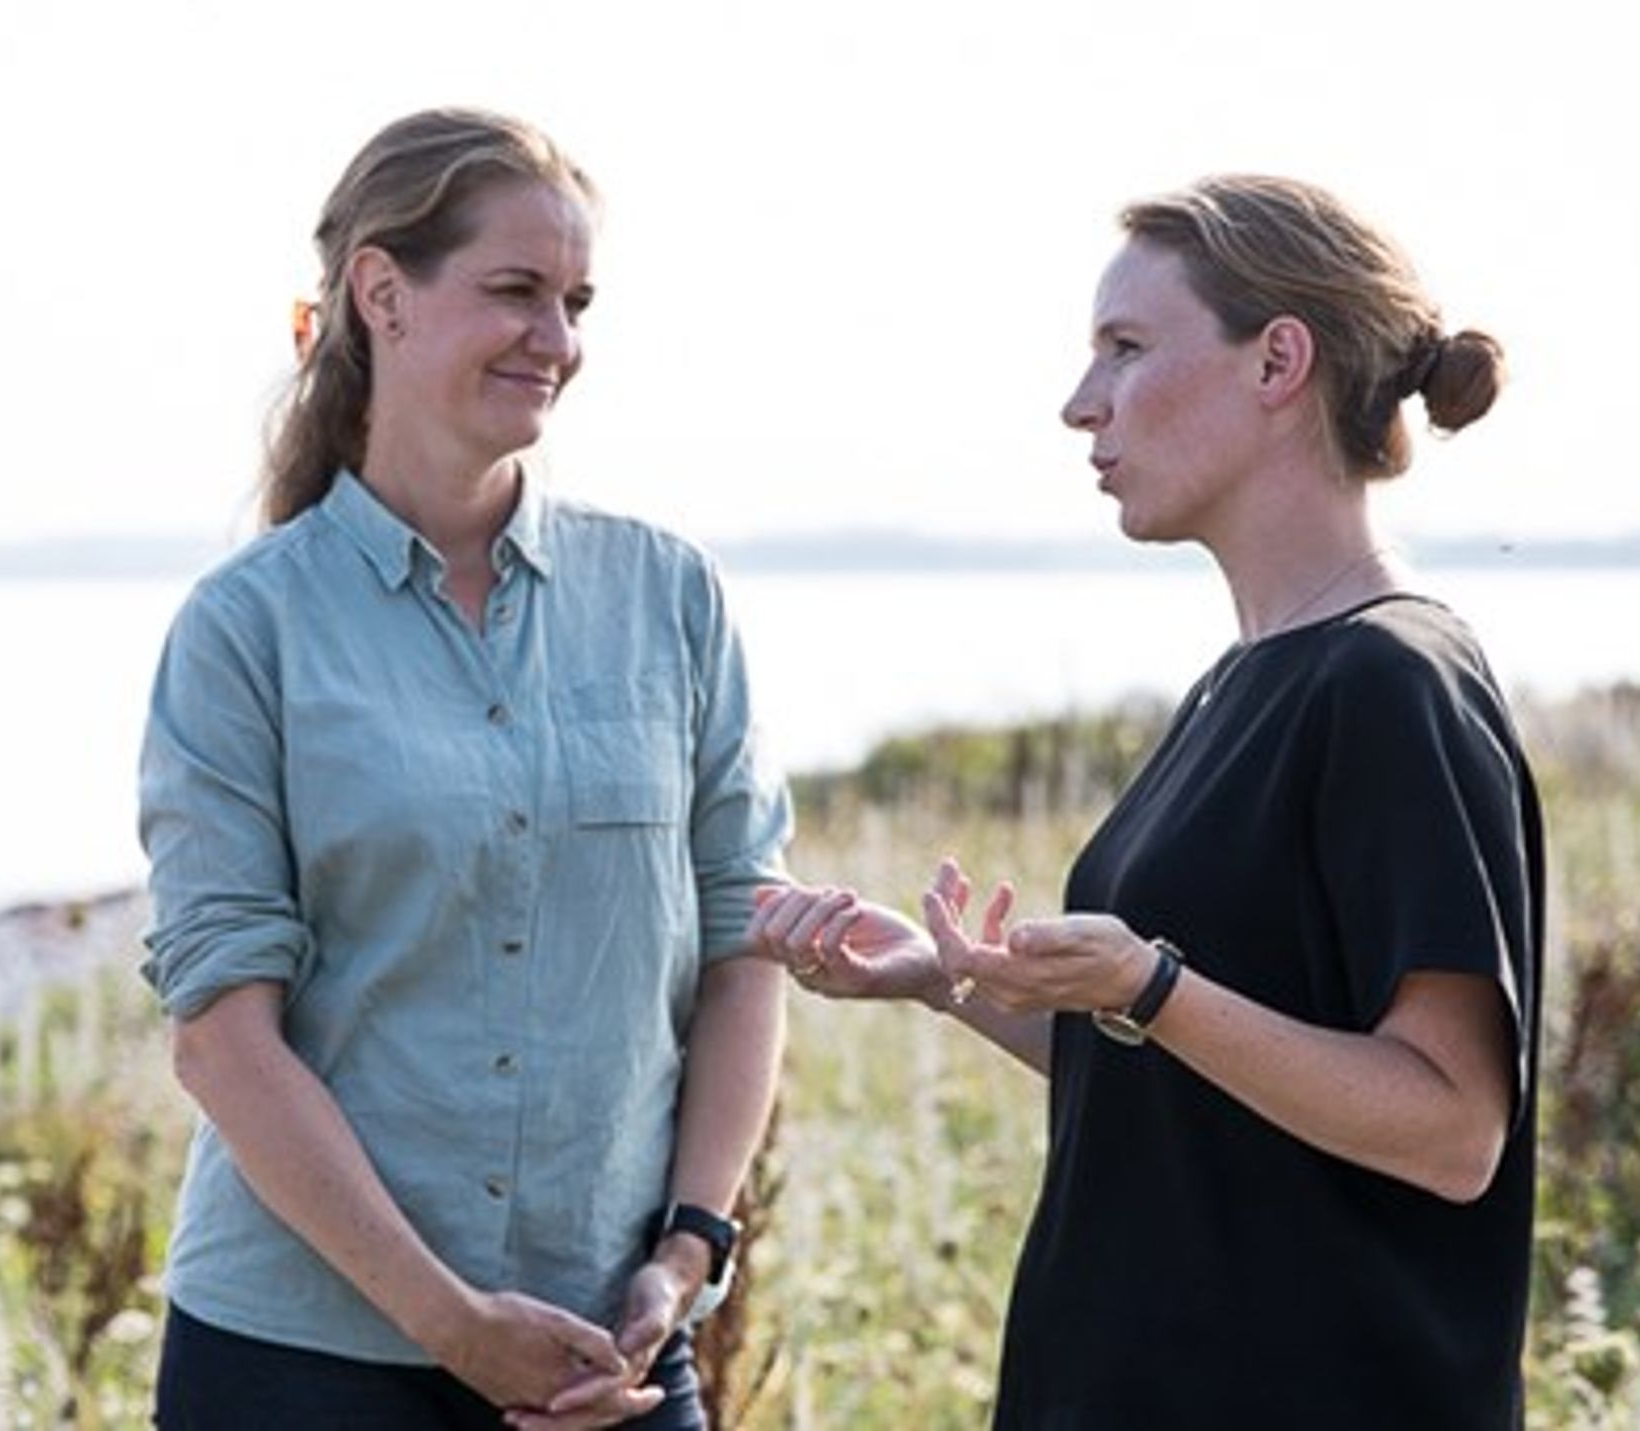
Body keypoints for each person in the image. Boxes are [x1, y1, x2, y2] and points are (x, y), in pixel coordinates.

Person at [752, 174, 1545, 1428]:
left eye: (1125, 348)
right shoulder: (1246, 679)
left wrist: (1150, 986)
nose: (1082, 403)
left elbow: (1450, 1129)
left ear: (1277, 361)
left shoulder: (1391, 684)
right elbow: (1180, 1086)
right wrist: (942, 978)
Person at [137, 108, 791, 1430]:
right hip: (297, 1362)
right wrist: (446, 1319)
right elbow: (221, 1036)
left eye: (576, 302)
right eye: (516, 290)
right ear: (381, 292)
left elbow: (744, 942)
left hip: (609, 1350)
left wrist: (686, 1252)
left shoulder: (668, 597)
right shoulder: (246, 629)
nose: (558, 339)